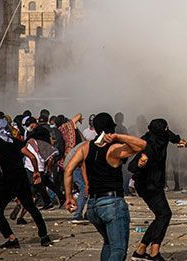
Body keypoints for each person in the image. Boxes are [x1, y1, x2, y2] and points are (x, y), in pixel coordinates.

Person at [64, 112, 146, 261]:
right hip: (111, 204)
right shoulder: (113, 149)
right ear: (111, 128)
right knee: (118, 250)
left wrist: (69, 197)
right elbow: (141, 145)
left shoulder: (86, 147)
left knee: (108, 243)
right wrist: (118, 137)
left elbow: (69, 169)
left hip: (93, 207)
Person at [0, 118, 51, 249]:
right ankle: (44, 236)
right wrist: (36, 171)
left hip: (6, 180)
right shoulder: (16, 142)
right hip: (21, 177)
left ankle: (11, 238)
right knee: (31, 207)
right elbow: (31, 156)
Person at [130, 118, 187, 261]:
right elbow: (132, 166)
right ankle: (153, 251)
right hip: (146, 184)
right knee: (164, 215)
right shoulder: (146, 143)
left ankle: (142, 250)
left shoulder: (164, 135)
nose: (168, 131)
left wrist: (182, 142)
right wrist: (140, 163)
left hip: (156, 183)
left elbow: (174, 137)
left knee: (162, 215)